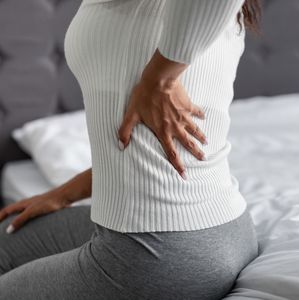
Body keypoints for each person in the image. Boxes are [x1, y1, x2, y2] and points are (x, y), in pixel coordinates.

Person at [0, 0, 262, 299]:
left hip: (159, 254)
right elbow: (150, 153)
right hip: (226, 231)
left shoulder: (180, 32)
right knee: (9, 234)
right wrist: (62, 195)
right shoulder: (197, 22)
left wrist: (161, 77)